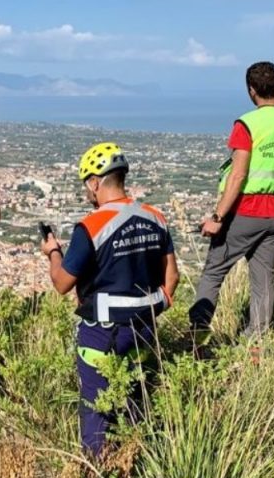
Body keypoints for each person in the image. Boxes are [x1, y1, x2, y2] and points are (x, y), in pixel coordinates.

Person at [41, 143, 179, 456]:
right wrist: (158, 305)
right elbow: (172, 277)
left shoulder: (91, 227)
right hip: (144, 328)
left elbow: (62, 283)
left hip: (101, 333)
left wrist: (52, 253)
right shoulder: (155, 217)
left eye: (86, 184)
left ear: (95, 182)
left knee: (96, 409)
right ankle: (137, 462)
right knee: (134, 401)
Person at [188, 61, 274, 354]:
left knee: (214, 273)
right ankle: (257, 345)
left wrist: (217, 217)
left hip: (244, 212)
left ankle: (195, 340)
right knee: (263, 280)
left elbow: (238, 175)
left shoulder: (247, 124)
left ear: (251, 91)